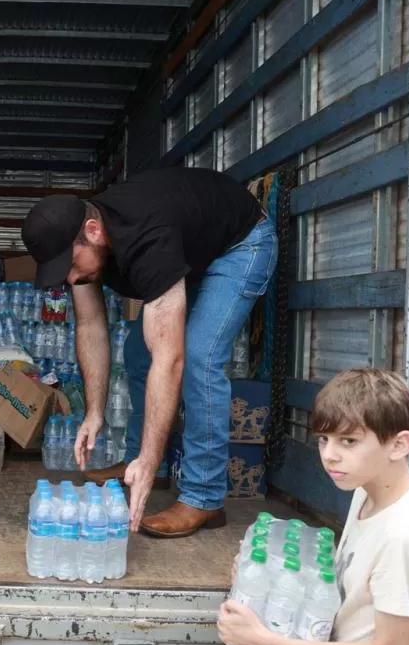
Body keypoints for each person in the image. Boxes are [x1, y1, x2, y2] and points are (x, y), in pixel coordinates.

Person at [22, 167, 277, 537]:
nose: (70, 279)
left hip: (241, 245)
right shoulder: (86, 246)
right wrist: (93, 413)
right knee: (138, 354)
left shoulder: (147, 239)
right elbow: (91, 327)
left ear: (93, 231)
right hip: (194, 249)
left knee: (199, 359)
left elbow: (170, 359)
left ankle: (204, 498)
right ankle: (141, 465)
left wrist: (153, 451)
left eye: (71, 266)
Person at [218, 368, 409, 645]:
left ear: (399, 445)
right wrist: (266, 575)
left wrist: (263, 641)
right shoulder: (365, 491)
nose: (328, 455)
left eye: (348, 441)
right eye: (324, 439)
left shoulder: (405, 538)